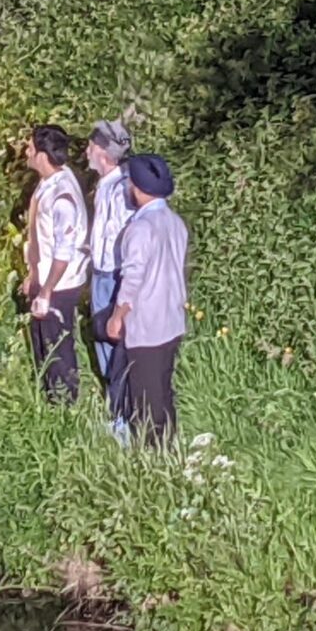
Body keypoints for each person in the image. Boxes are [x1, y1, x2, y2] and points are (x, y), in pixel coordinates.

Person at [106, 155, 188, 445]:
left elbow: (132, 279)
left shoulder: (140, 228)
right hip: (172, 320)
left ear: (138, 187)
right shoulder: (175, 222)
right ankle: (170, 445)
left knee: (146, 398)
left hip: (147, 326)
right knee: (164, 391)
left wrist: (117, 316)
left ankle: (153, 457)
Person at [21, 125, 90, 404]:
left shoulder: (62, 197)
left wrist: (46, 290)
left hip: (59, 284)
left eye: (29, 147)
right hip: (45, 278)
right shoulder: (48, 181)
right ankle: (49, 396)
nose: (25, 152)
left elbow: (64, 251)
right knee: (42, 343)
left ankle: (64, 402)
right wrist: (32, 274)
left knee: (57, 346)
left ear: (42, 155)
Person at [85, 120, 133, 427]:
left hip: (115, 277)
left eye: (90, 146)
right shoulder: (105, 186)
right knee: (102, 338)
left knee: (116, 345)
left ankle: (123, 420)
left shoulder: (121, 190)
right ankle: (114, 408)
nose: (86, 151)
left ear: (102, 151)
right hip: (101, 273)